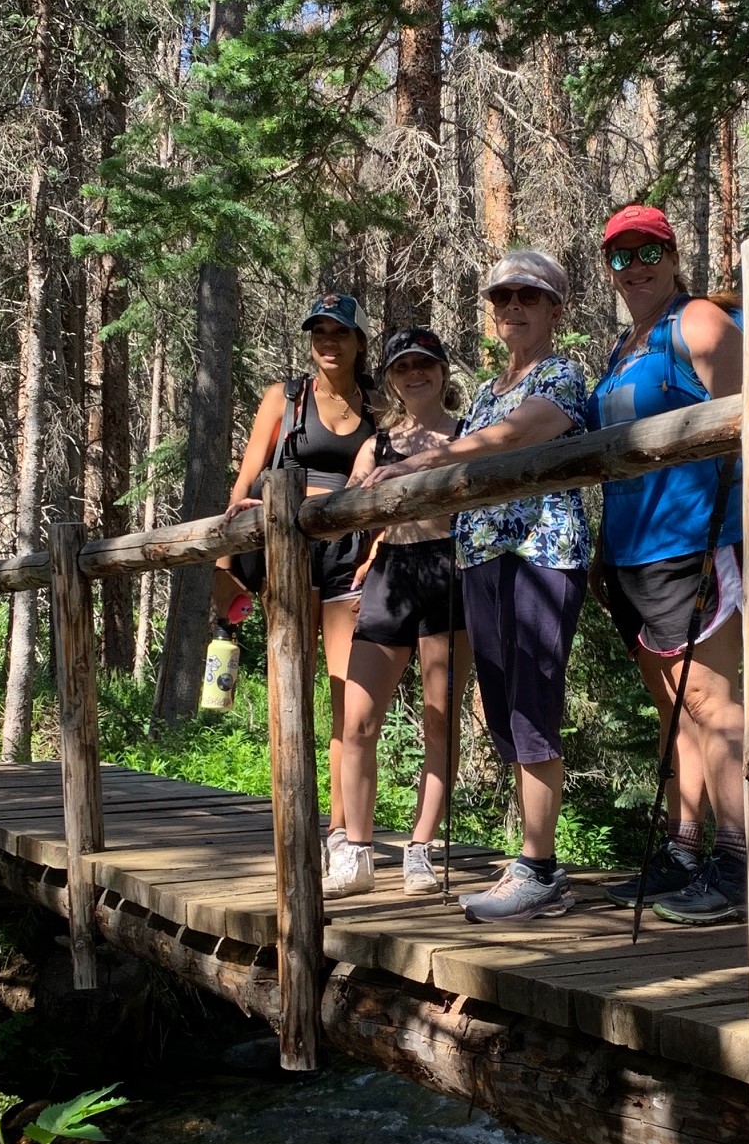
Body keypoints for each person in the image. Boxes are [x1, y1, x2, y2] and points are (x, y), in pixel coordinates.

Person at [361, 250, 590, 924]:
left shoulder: (560, 374)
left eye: (529, 296)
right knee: (503, 706)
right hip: (483, 559)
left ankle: (539, 868)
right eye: (502, 298)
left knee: (532, 702)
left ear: (555, 309)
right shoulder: (489, 390)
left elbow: (520, 434)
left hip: (541, 553)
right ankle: (533, 861)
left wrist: (426, 461)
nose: (513, 307)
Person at [588, 205, 747, 924]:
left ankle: (739, 860)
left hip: (695, 538)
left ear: (674, 255)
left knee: (710, 702)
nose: (635, 267)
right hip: (633, 551)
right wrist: (604, 549)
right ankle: (683, 851)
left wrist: (734, 523)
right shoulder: (624, 346)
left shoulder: (699, 321)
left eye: (648, 251)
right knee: (675, 707)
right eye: (620, 257)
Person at [220, 293, 377, 865]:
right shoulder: (285, 398)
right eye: (319, 333)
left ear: (359, 340)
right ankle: (293, 817)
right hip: (287, 553)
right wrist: (224, 562)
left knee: (346, 695)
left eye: (340, 332)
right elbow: (246, 479)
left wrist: (376, 547)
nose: (328, 342)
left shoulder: (377, 406)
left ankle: (339, 828)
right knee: (292, 689)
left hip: (349, 556)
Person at [324, 327, 473, 900]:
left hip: (448, 574)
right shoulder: (378, 444)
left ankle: (421, 848)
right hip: (390, 577)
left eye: (425, 364)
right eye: (403, 367)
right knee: (358, 721)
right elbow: (345, 510)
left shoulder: (467, 434)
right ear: (389, 378)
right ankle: (357, 852)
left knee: (439, 720)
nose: (415, 375)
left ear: (442, 371)